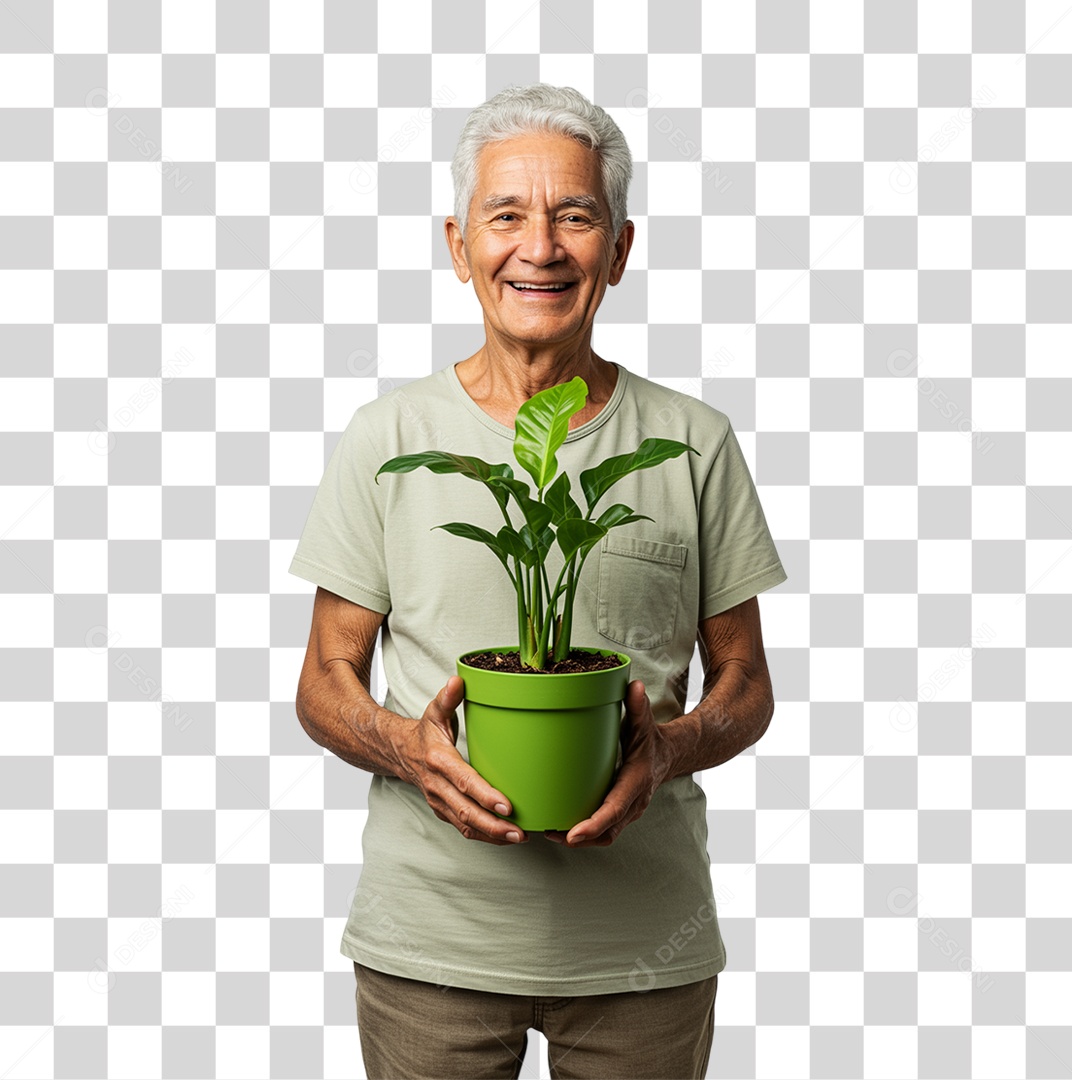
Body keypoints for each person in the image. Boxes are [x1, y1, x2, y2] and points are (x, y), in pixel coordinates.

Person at [290, 83, 787, 1080]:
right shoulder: (386, 439)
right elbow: (324, 679)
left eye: (575, 215)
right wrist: (403, 746)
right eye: (506, 215)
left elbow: (746, 682)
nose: (541, 247)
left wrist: (676, 745)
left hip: (642, 949)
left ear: (620, 249)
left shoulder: (694, 444)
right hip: (431, 943)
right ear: (458, 243)